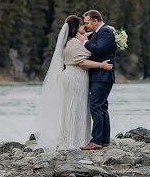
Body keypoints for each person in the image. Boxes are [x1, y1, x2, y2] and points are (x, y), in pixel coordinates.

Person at [34, 15, 113, 151]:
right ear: (76, 29)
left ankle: (79, 138)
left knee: (78, 107)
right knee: (73, 107)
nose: (85, 27)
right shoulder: (73, 43)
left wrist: (108, 28)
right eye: (83, 25)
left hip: (77, 77)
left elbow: (88, 37)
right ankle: (71, 140)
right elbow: (82, 61)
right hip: (74, 77)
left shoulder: (74, 40)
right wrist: (101, 65)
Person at [79, 10, 117, 150]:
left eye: (87, 23)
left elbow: (99, 49)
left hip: (102, 76)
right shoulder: (99, 32)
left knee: (96, 107)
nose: (86, 25)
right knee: (102, 107)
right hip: (101, 76)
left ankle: (95, 142)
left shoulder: (105, 32)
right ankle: (104, 140)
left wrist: (84, 42)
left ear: (96, 21)